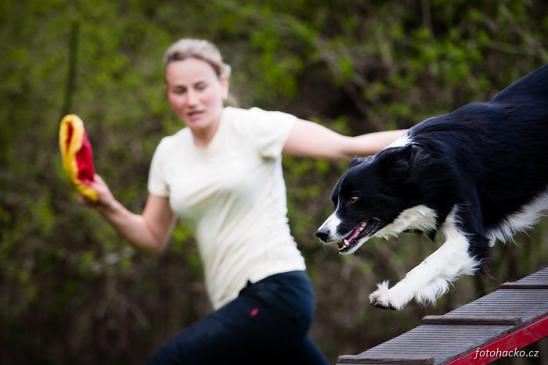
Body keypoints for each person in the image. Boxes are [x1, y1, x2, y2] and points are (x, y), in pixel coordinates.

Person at [83, 38, 405, 365]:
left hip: (275, 292)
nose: (191, 100)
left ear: (222, 84)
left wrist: (435, 133)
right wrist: (107, 205)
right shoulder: (169, 152)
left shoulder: (251, 126)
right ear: (168, 94)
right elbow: (152, 238)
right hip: (236, 307)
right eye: (180, 91)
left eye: (200, 87)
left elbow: (345, 146)